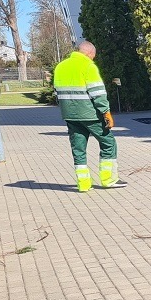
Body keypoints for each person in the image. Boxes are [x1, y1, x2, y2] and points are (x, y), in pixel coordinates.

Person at [53, 41, 124, 191]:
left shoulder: (60, 67)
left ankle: (83, 184)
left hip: (70, 116)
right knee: (108, 143)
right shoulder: (88, 66)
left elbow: (57, 93)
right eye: (93, 56)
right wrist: (107, 113)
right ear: (89, 53)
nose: (93, 59)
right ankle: (108, 179)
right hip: (90, 115)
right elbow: (98, 92)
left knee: (78, 149)